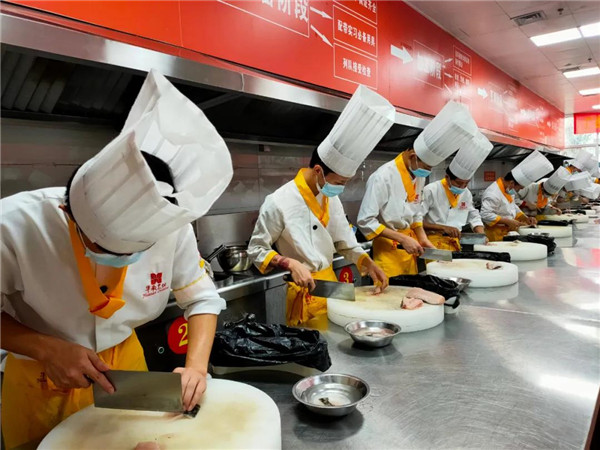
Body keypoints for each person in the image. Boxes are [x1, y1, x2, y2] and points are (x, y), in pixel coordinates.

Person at [0, 71, 233, 449]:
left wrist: (195, 367)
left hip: (124, 370)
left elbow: (202, 298)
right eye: (102, 247)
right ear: (69, 212)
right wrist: (46, 348)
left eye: (132, 253)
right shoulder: (13, 225)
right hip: (39, 375)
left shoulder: (170, 225)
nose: (118, 261)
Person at [248, 85, 393, 328]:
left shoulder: (330, 196)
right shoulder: (279, 201)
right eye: (339, 182)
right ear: (318, 171)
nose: (341, 188)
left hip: (331, 288)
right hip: (304, 292)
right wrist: (290, 263)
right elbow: (256, 250)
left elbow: (344, 242)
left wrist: (367, 263)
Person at [357, 101, 478, 276]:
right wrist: (402, 238)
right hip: (388, 253)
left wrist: (422, 238)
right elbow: (365, 221)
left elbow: (416, 214)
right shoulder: (383, 177)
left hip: (410, 250)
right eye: (427, 167)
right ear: (413, 156)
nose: (427, 172)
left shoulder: (417, 176)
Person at [421, 132, 492, 251]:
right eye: (459, 183)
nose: (462, 187)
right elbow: (417, 221)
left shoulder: (466, 193)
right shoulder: (431, 190)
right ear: (447, 177)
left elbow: (473, 216)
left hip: (455, 242)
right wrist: (442, 228)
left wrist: (481, 235)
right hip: (433, 243)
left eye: (466, 183)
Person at [480, 150, 553, 241]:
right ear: (512, 183)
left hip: (508, 232)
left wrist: (525, 218)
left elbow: (513, 206)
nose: (519, 190)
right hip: (494, 235)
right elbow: (485, 215)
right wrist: (507, 221)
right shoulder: (493, 193)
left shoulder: (508, 190)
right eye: (520, 188)